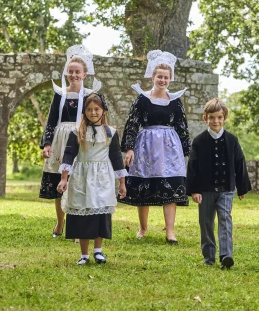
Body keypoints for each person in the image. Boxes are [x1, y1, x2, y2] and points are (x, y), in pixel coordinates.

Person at [119, 50, 190, 243]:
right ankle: (143, 228)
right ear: (153, 77)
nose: (163, 80)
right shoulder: (142, 98)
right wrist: (130, 148)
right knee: (144, 186)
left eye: (166, 77)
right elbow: (132, 122)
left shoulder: (175, 100)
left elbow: (182, 125)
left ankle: (170, 232)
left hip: (169, 148)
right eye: (159, 76)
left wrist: (185, 150)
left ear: (170, 79)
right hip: (146, 145)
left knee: (172, 186)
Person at [57, 93, 127, 264]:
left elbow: (117, 157)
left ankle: (98, 251)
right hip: (82, 174)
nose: (93, 112)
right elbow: (69, 154)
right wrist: (64, 178)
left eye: (96, 109)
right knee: (82, 211)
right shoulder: (77, 132)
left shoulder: (110, 132)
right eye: (89, 109)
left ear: (103, 111)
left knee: (100, 211)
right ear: (84, 111)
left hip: (103, 176)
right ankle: (84, 254)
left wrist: (122, 183)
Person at [186, 98, 252, 268]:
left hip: (226, 189)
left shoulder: (232, 140)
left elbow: (239, 163)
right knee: (206, 222)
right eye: (212, 117)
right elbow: (193, 166)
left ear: (224, 118)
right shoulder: (199, 141)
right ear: (205, 118)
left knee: (225, 220)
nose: (216, 121)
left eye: (219, 117)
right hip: (205, 190)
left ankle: (225, 256)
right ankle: (209, 257)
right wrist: (194, 190)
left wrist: (242, 187)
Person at [39, 45, 94, 237]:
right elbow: (51, 121)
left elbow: (95, 119)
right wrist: (46, 144)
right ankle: (60, 222)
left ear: (84, 74)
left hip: (81, 140)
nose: (73, 75)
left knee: (78, 184)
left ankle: (77, 226)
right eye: (70, 71)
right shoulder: (60, 94)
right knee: (60, 184)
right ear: (66, 73)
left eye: (77, 72)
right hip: (60, 141)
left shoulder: (89, 96)